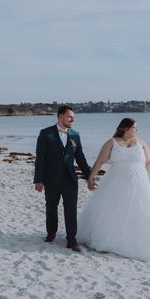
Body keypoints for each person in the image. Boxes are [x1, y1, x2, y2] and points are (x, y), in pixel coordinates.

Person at [77, 118, 150, 261]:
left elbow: (149, 161)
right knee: (114, 211)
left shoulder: (141, 143)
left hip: (140, 184)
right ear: (124, 128)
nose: (136, 130)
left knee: (141, 211)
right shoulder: (112, 143)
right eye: (134, 128)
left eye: (136, 128)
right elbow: (100, 161)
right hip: (115, 183)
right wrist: (91, 177)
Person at [33, 105, 91, 252]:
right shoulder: (46, 134)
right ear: (60, 116)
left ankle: (71, 240)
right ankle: (51, 233)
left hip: (70, 179)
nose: (72, 119)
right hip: (51, 179)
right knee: (51, 207)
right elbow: (40, 159)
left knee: (71, 210)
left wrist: (89, 176)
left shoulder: (75, 135)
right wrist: (38, 180)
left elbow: (80, 158)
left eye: (73, 117)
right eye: (69, 116)